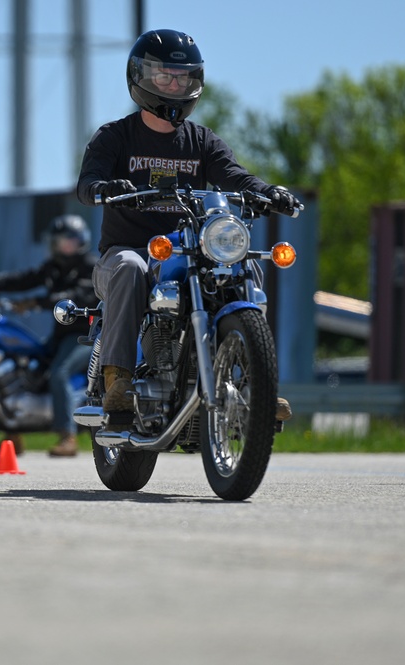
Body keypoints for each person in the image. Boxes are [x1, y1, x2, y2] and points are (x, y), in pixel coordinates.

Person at [76, 28, 300, 420]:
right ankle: (118, 380)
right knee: (131, 267)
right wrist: (103, 188)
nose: (174, 84)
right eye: (164, 76)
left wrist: (269, 191)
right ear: (141, 77)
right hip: (123, 256)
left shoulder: (202, 142)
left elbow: (234, 175)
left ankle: (254, 381)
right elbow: (87, 184)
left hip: (186, 250)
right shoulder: (115, 137)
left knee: (243, 263)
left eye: (183, 77)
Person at [0, 214, 98, 457]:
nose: (67, 246)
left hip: (85, 337)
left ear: (82, 242)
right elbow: (22, 279)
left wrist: (36, 302)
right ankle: (12, 439)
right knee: (28, 371)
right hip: (59, 336)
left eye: (72, 241)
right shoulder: (52, 268)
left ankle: (68, 437)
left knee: (59, 374)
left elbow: (77, 297)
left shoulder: (91, 267)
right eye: (63, 241)